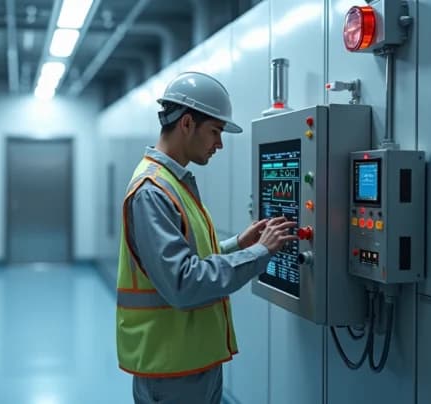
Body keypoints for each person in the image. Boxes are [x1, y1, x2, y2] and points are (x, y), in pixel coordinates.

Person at [116, 71, 299, 404]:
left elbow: (186, 259)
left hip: (189, 363)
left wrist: (237, 245)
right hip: (173, 370)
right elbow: (184, 283)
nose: (219, 144)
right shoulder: (153, 192)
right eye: (215, 131)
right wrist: (258, 253)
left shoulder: (172, 183)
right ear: (187, 124)